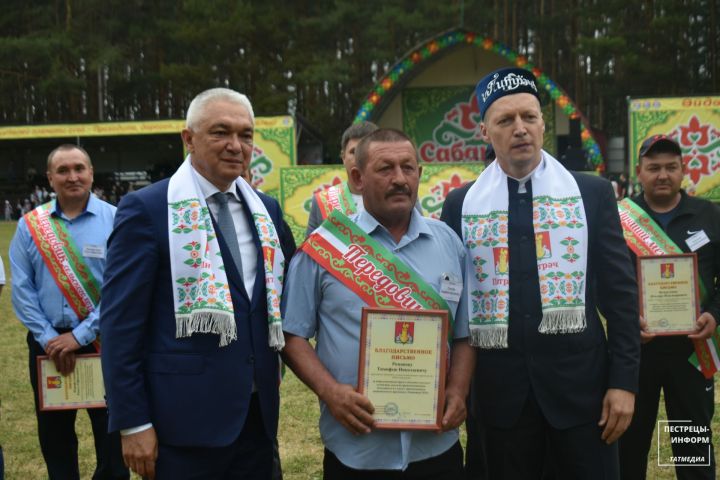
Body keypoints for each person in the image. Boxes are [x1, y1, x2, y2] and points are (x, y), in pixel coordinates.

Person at [440, 67, 640, 479]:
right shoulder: (461, 205)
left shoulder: (591, 194)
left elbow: (620, 298)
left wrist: (624, 382)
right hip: (499, 400)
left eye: (529, 117)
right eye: (505, 120)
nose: (520, 129)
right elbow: (453, 306)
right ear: (484, 131)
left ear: (543, 125)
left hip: (583, 397)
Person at [100, 88, 295, 480]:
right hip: (182, 426)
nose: (235, 146)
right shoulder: (147, 209)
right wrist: (133, 423)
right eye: (220, 132)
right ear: (188, 138)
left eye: (246, 135)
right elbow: (120, 326)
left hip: (257, 420)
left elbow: (285, 294)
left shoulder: (266, 209)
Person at [282, 128, 476, 479]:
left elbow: (464, 333)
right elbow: (291, 335)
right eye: (385, 168)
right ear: (357, 177)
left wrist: (458, 391)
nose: (400, 179)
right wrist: (330, 393)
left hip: (436, 447)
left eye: (408, 168)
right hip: (356, 448)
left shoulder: (449, 242)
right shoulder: (325, 247)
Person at [9, 144, 128, 480]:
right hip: (47, 348)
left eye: (79, 168)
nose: (72, 176)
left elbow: (122, 289)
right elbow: (22, 289)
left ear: (91, 173)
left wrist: (80, 335)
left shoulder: (117, 218)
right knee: (54, 436)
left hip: (103, 342)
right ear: (50, 178)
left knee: (111, 433)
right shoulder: (30, 225)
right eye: (63, 170)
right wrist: (50, 339)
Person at [617, 135, 718, 479]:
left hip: (692, 351)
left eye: (671, 167)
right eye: (654, 167)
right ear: (639, 171)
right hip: (635, 350)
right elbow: (603, 282)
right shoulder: (618, 219)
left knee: (692, 442)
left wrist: (715, 315)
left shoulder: (709, 214)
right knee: (629, 442)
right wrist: (629, 321)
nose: (663, 174)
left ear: (683, 170)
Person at [305, 121, 378, 236]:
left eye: (366, 151)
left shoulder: (399, 197)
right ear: (343, 157)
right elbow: (309, 250)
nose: (360, 158)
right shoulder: (323, 201)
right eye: (353, 152)